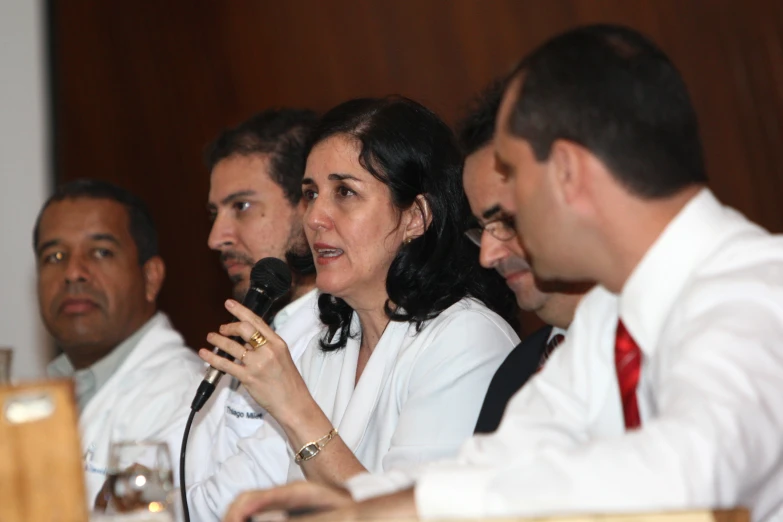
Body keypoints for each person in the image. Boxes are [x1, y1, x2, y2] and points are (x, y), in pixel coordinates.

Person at [223, 24, 783, 522]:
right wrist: (354, 507)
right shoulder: (606, 320)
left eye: (512, 176)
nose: (491, 249)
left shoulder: (756, 290)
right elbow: (504, 459)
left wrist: (396, 511)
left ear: (566, 170)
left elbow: (692, 474)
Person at [200, 96, 519, 514]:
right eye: (310, 193)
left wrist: (295, 409)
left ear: (415, 217)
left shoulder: (467, 339)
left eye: (345, 192)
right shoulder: (327, 342)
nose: (314, 217)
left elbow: (411, 517)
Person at [186, 109, 326, 518]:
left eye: (242, 206)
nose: (216, 238)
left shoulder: (334, 337)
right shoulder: (255, 323)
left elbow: (233, 504)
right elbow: (184, 458)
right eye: (215, 213)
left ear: (307, 206)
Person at [36, 179, 203, 504]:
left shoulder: (185, 398)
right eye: (54, 256)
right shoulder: (45, 392)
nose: (73, 272)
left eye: (101, 252)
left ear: (150, 277)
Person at [458, 80, 591, 434]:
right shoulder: (516, 371)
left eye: (506, 221)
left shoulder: (675, 331)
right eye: (481, 228)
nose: (487, 256)